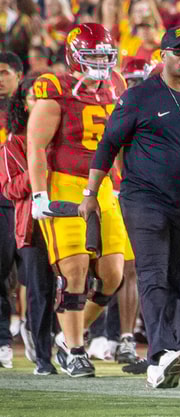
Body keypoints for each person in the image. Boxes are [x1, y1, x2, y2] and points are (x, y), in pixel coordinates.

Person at [80, 26, 180, 389]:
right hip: (144, 199)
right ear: (162, 56)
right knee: (152, 273)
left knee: (176, 277)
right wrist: (91, 191)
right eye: (178, 51)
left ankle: (174, 351)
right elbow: (108, 144)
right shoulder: (140, 96)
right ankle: (158, 356)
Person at [27, 23, 128, 378]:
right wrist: (40, 193)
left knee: (114, 274)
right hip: (66, 183)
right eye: (93, 55)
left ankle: (70, 335)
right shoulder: (55, 87)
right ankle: (75, 350)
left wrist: (120, 181)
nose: (100, 62)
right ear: (74, 56)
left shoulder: (116, 83)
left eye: (104, 55)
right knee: (74, 270)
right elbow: (36, 146)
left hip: (102, 185)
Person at [0, 72, 57, 374]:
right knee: (40, 290)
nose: (40, 102)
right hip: (32, 227)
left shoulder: (62, 139)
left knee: (75, 287)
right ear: (22, 103)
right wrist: (39, 173)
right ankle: (44, 358)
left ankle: (70, 345)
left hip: (66, 220)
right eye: (34, 96)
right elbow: (9, 187)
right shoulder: (13, 145)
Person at [0, 51, 21, 369]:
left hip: (30, 195)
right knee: (1, 272)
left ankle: (41, 336)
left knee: (38, 273)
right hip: (2, 198)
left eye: (4, 72)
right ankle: (3, 339)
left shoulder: (31, 108)